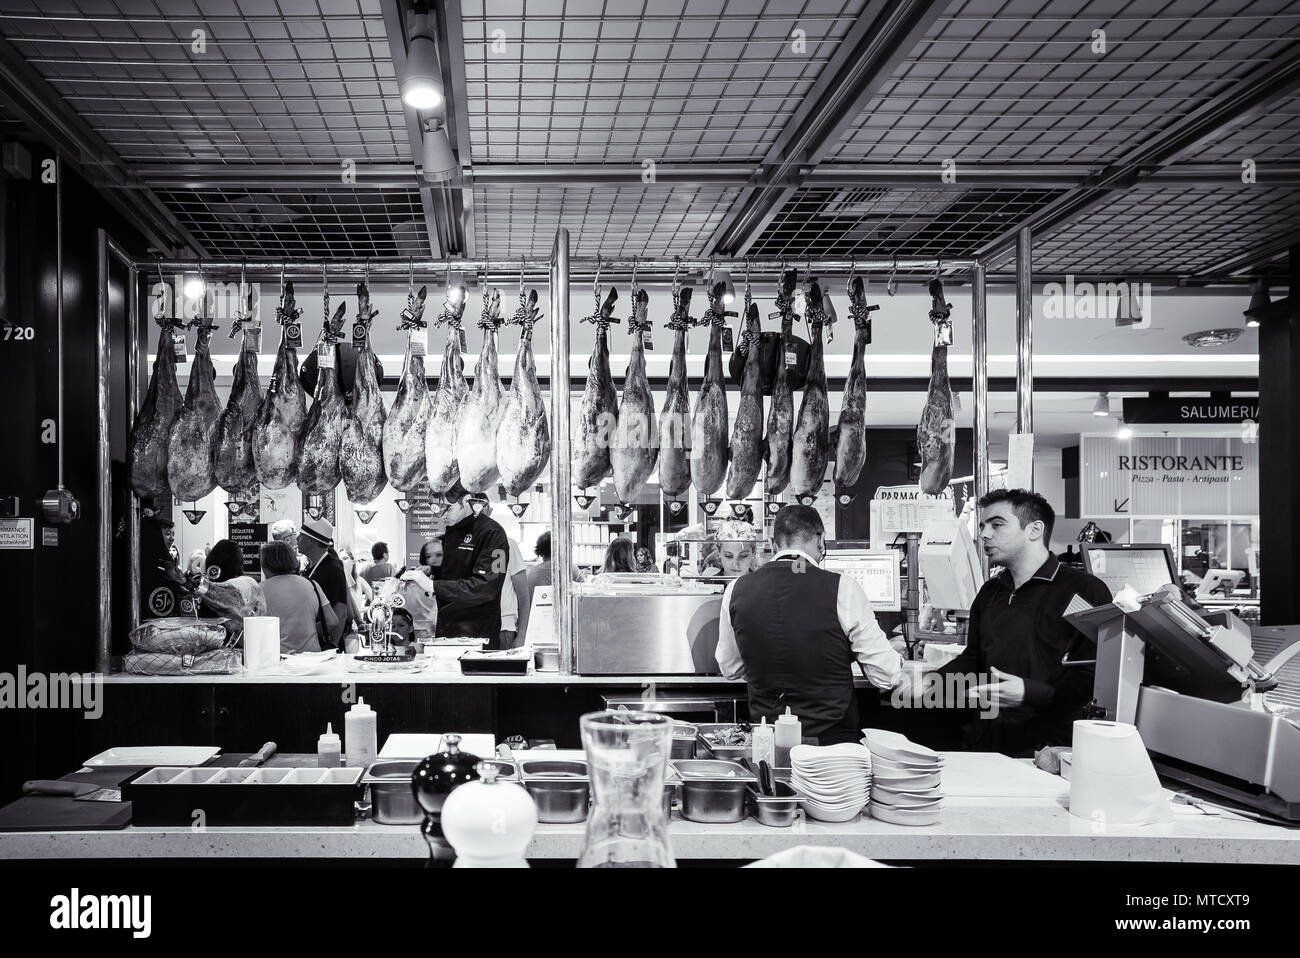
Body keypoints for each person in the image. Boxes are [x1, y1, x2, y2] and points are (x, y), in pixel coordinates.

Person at [932, 489, 1112, 757]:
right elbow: (974, 658)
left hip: (1051, 745)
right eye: (982, 526)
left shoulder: (1083, 590)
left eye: (997, 524)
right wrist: (932, 681)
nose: (984, 535)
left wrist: (1031, 692)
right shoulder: (990, 591)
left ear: (1034, 530)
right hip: (989, 740)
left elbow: (1093, 673)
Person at [715, 504, 902, 745]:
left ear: (774, 545)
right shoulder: (844, 588)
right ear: (821, 540)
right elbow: (885, 675)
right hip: (832, 741)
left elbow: (730, 668)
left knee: (772, 784)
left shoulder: (735, 590)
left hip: (768, 738)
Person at [432, 481, 510, 644]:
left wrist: (432, 586)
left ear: (466, 499)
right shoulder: (450, 533)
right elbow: (454, 574)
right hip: (446, 631)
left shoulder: (494, 534)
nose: (442, 515)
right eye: (439, 509)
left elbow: (487, 588)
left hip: (479, 635)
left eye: (448, 508)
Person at [259, 540, 337, 654]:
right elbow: (332, 621)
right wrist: (307, 629)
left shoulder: (260, 590)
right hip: (312, 658)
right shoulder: (312, 584)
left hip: (278, 658)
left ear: (265, 564)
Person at [297, 517, 348, 647]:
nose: (297, 539)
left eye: (301, 536)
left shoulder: (333, 569)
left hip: (326, 645)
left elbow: (341, 612)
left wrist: (333, 645)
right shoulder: (310, 566)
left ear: (310, 541)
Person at [198, 539, 266, 636]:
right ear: (239, 560)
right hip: (252, 639)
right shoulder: (251, 582)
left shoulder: (208, 592)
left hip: (220, 644)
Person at [139, 514, 190, 620]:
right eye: (167, 534)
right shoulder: (153, 566)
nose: (172, 538)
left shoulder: (167, 564)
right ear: (155, 536)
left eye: (173, 534)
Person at [394, 539, 442, 636]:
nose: (433, 559)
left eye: (439, 555)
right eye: (428, 556)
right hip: (419, 633)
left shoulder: (454, 581)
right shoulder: (415, 579)